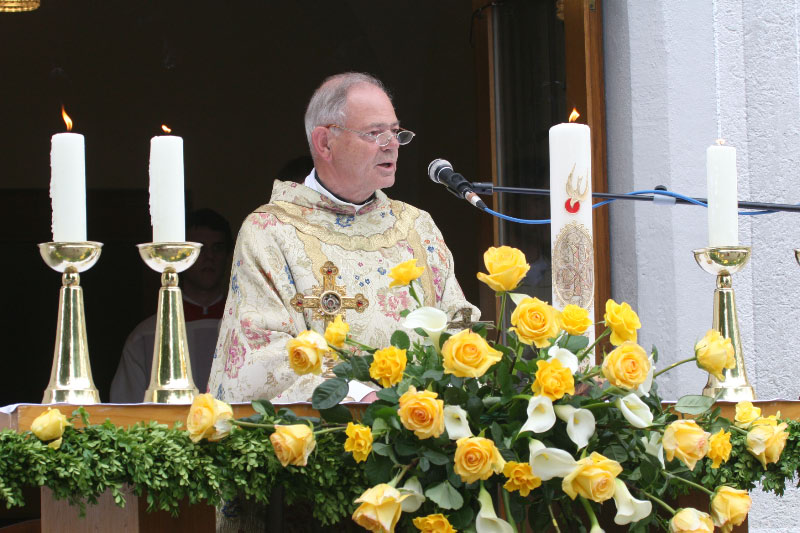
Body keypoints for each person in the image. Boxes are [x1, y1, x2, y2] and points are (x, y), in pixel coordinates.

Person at [207, 72, 479, 405]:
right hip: (328, 429)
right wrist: (361, 398)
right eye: (375, 133)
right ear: (325, 143)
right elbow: (261, 355)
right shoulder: (270, 231)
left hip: (424, 425)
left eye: (395, 132)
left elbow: (458, 324)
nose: (392, 144)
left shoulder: (417, 227)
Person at [110, 209, 233, 403]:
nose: (209, 257)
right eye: (200, 249)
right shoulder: (146, 335)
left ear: (228, 255)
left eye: (217, 248)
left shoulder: (246, 328)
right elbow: (126, 407)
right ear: (182, 256)